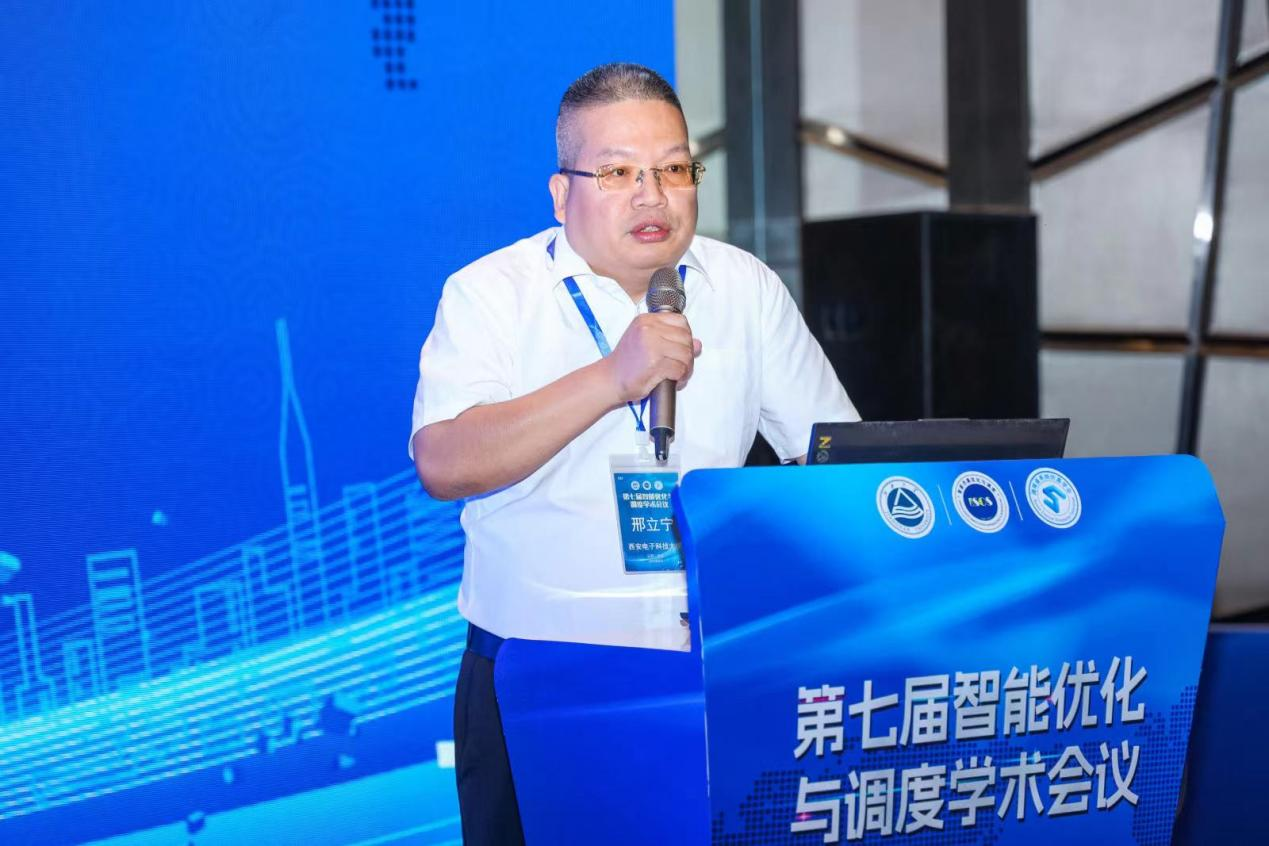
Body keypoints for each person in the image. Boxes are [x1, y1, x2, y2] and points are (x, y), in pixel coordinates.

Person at [410, 62, 858, 846]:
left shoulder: (743, 288)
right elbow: (444, 462)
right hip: (539, 676)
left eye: (674, 169)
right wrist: (612, 377)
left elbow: (837, 461)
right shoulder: (490, 294)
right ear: (561, 194)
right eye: (618, 173)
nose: (651, 197)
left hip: (711, 669)